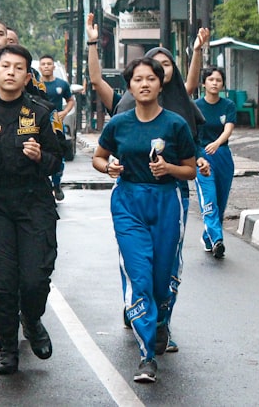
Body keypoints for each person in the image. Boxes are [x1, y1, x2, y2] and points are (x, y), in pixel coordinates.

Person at [92, 57, 197, 383]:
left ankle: (162, 321)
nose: (144, 84)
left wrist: (169, 170)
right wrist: (108, 168)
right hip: (128, 203)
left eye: (151, 78)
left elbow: (190, 169)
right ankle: (146, 355)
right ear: (130, 85)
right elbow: (98, 157)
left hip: (166, 202)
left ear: (161, 82)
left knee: (162, 276)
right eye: (137, 79)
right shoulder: (119, 124)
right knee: (139, 276)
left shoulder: (176, 124)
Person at [0, 45, 63, 375]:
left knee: (35, 278)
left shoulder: (41, 113)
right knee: (3, 282)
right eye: (4, 66)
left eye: (17, 67)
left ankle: (32, 320)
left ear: (26, 75)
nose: (10, 72)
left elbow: (57, 159)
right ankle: (8, 345)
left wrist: (40, 158)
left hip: (34, 203)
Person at [194, 67, 236, 259]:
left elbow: (228, 128)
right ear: (204, 83)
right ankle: (217, 239)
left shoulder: (228, 105)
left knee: (220, 200)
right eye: (210, 79)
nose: (214, 83)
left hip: (223, 155)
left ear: (222, 84)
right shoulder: (195, 106)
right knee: (209, 198)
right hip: (202, 157)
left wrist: (218, 143)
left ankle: (208, 236)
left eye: (218, 80)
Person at [40, 54, 73, 201]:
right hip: (39, 126)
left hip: (56, 127)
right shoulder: (34, 85)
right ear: (40, 67)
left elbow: (71, 100)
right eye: (44, 64)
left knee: (59, 155)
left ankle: (57, 184)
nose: (46, 66)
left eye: (49, 64)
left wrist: (65, 112)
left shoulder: (62, 84)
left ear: (54, 66)